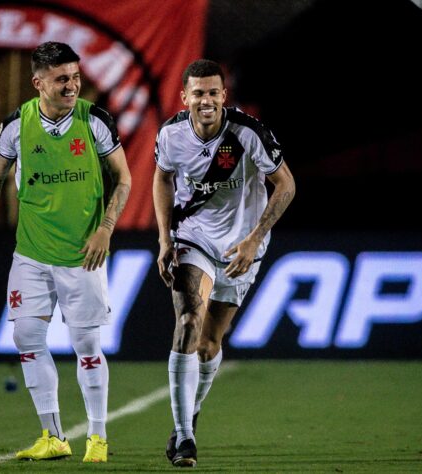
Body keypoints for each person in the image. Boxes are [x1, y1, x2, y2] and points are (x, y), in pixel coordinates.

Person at [0, 41, 131, 463]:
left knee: (86, 344)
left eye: (76, 77)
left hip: (82, 255)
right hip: (31, 253)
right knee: (25, 336)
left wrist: (105, 229)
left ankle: (97, 437)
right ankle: (53, 435)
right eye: (62, 79)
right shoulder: (16, 125)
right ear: (38, 82)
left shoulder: (94, 121)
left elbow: (124, 178)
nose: (72, 86)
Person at [153, 59, 295, 467]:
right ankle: (184, 437)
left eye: (213, 92)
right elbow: (162, 178)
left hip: (240, 249)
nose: (206, 100)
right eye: (198, 93)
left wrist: (254, 238)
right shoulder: (171, 135)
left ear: (223, 96)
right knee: (187, 324)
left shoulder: (248, 134)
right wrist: (164, 238)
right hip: (193, 239)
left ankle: (190, 413)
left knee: (210, 343)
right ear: (185, 97)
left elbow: (286, 184)